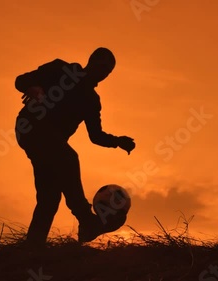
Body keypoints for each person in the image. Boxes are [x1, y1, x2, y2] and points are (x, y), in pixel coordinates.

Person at [14, 47, 135, 247]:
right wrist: (33, 87)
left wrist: (118, 141)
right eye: (102, 66)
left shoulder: (92, 100)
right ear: (92, 61)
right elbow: (21, 80)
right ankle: (87, 220)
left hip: (50, 146)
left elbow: (95, 136)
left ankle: (33, 247)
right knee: (69, 158)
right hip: (30, 127)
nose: (104, 73)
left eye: (108, 71)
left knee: (49, 197)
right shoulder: (62, 70)